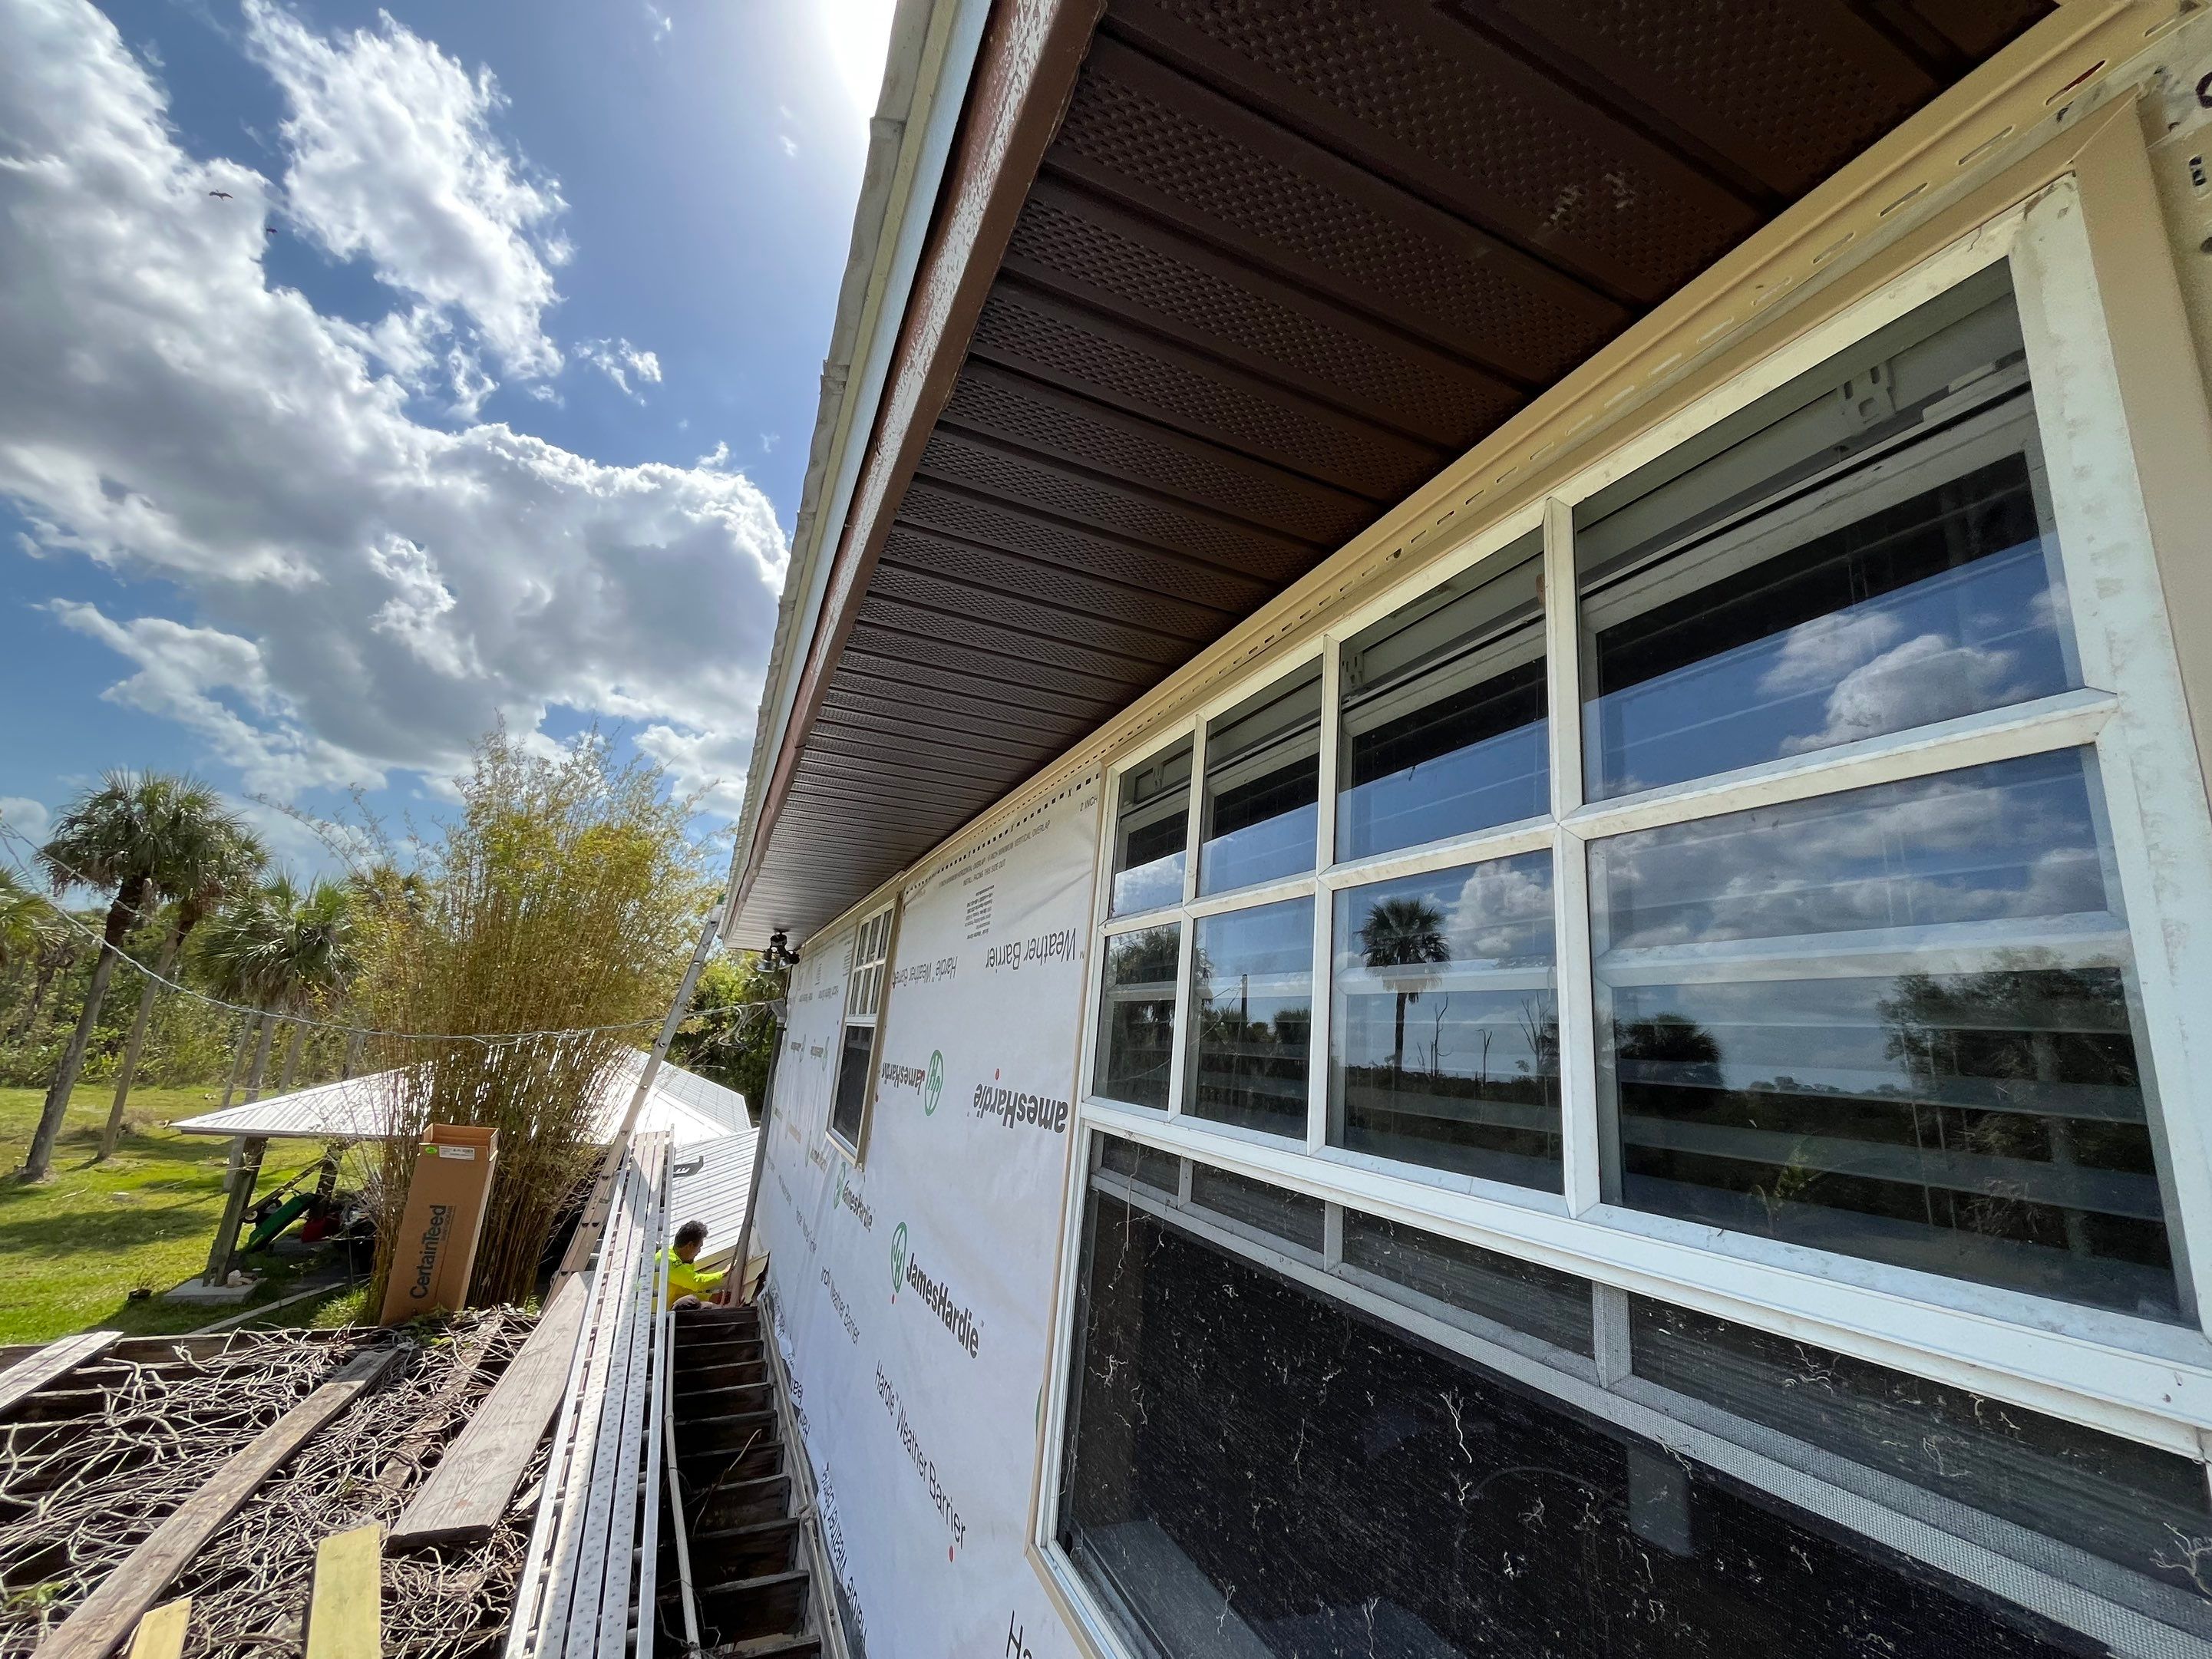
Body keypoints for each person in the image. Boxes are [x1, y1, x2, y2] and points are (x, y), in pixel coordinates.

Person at [662, 1218, 726, 1308]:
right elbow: (695, 1283)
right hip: (654, 1315)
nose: (699, 1251)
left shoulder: (681, 1259)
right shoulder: (668, 1261)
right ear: (690, 1246)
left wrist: (710, 1297)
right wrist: (723, 1274)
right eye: (699, 1247)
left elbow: (682, 1291)